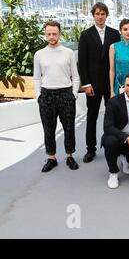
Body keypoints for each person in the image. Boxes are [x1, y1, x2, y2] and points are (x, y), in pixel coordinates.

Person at [33, 21, 80, 172]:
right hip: (46, 95)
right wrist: (38, 96)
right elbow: (37, 78)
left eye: (55, 33)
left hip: (66, 94)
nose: (52, 37)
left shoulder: (68, 53)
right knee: (48, 128)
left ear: (60, 34)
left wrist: (74, 95)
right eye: (49, 34)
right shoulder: (39, 54)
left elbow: (76, 76)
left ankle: (69, 155)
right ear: (45, 34)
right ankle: (51, 157)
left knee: (69, 128)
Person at [78, 2, 121, 163]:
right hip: (93, 85)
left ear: (107, 15)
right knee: (92, 116)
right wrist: (86, 84)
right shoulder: (86, 35)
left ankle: (112, 147)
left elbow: (117, 59)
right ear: (93, 15)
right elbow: (81, 62)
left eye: (103, 14)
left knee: (113, 118)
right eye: (97, 14)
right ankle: (91, 149)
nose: (100, 16)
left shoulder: (114, 33)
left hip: (111, 83)